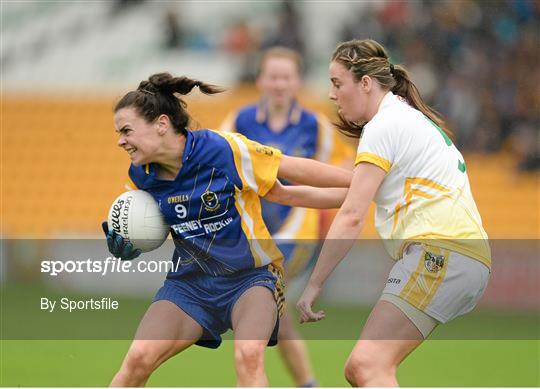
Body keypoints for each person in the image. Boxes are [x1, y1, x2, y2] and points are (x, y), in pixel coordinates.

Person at [104, 72, 353, 387]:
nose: (120, 140)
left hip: (252, 279)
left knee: (248, 356)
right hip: (190, 284)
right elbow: (150, 227)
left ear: (162, 124)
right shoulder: (140, 175)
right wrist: (128, 244)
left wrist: (360, 182)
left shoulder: (222, 149)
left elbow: (290, 173)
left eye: (126, 130)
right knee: (137, 359)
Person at [297, 39, 491, 387]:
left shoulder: (383, 127)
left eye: (337, 83)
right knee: (367, 368)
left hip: (440, 251)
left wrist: (313, 285)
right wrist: (276, 191)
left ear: (366, 84)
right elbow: (347, 194)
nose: (331, 94)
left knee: (367, 367)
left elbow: (353, 214)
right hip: (457, 254)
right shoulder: (402, 119)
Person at [221, 46, 353, 387]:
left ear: (297, 81)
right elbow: (218, 161)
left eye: (286, 76)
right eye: (273, 76)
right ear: (262, 79)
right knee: (278, 316)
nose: (279, 83)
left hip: (297, 235)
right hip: (253, 233)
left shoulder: (315, 126)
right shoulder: (239, 120)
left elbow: (343, 170)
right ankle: (308, 384)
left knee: (258, 309)